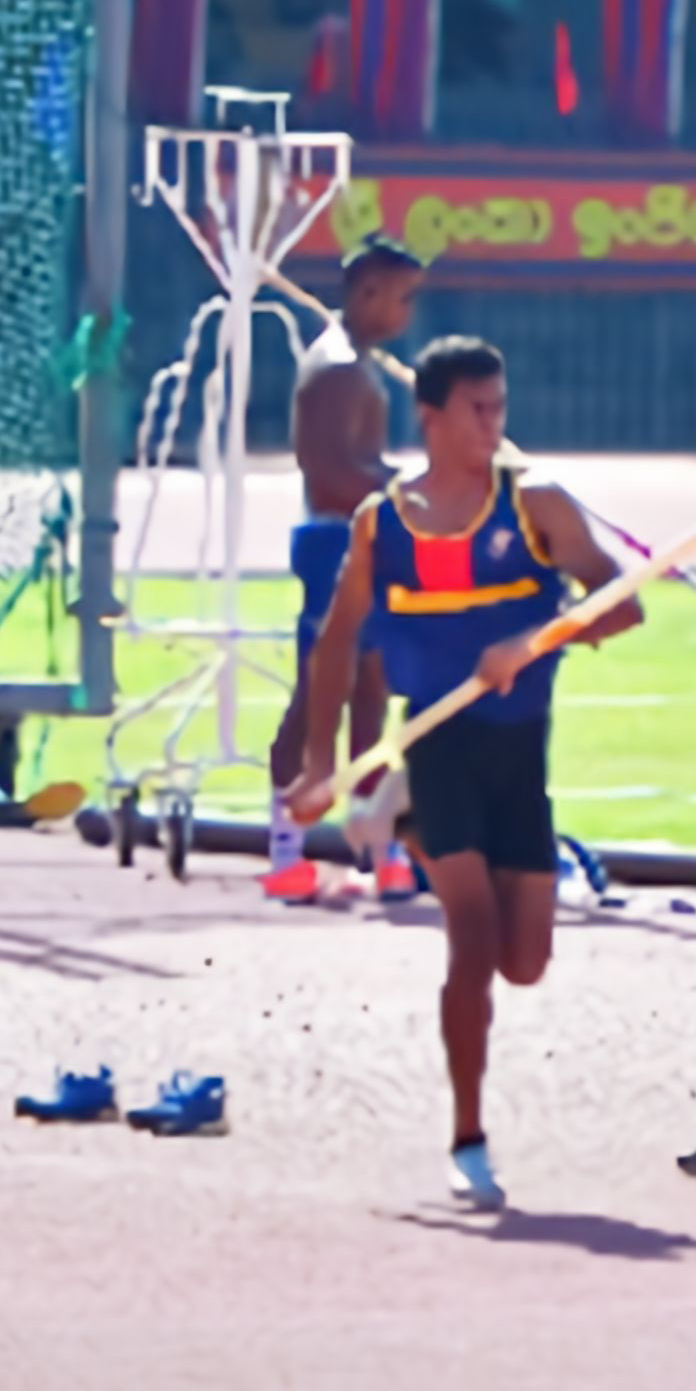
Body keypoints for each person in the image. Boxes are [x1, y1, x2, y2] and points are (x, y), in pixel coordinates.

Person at [288, 336, 643, 1213]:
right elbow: (338, 644)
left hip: (519, 755)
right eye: (477, 410)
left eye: (501, 406)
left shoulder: (537, 506)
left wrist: (536, 639)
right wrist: (317, 763)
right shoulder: (385, 522)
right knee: (473, 942)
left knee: (525, 962)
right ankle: (469, 1137)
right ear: (432, 417)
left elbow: (623, 603)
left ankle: (403, 821)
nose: (494, 424)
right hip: (438, 747)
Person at [263, 234, 425, 902]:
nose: (407, 314)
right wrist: (404, 491)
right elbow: (328, 475)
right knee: (318, 692)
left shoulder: (358, 362)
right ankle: (284, 848)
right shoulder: (333, 369)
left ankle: (374, 843)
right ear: (365, 294)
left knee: (372, 688)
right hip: (335, 540)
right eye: (402, 299)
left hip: (364, 536)